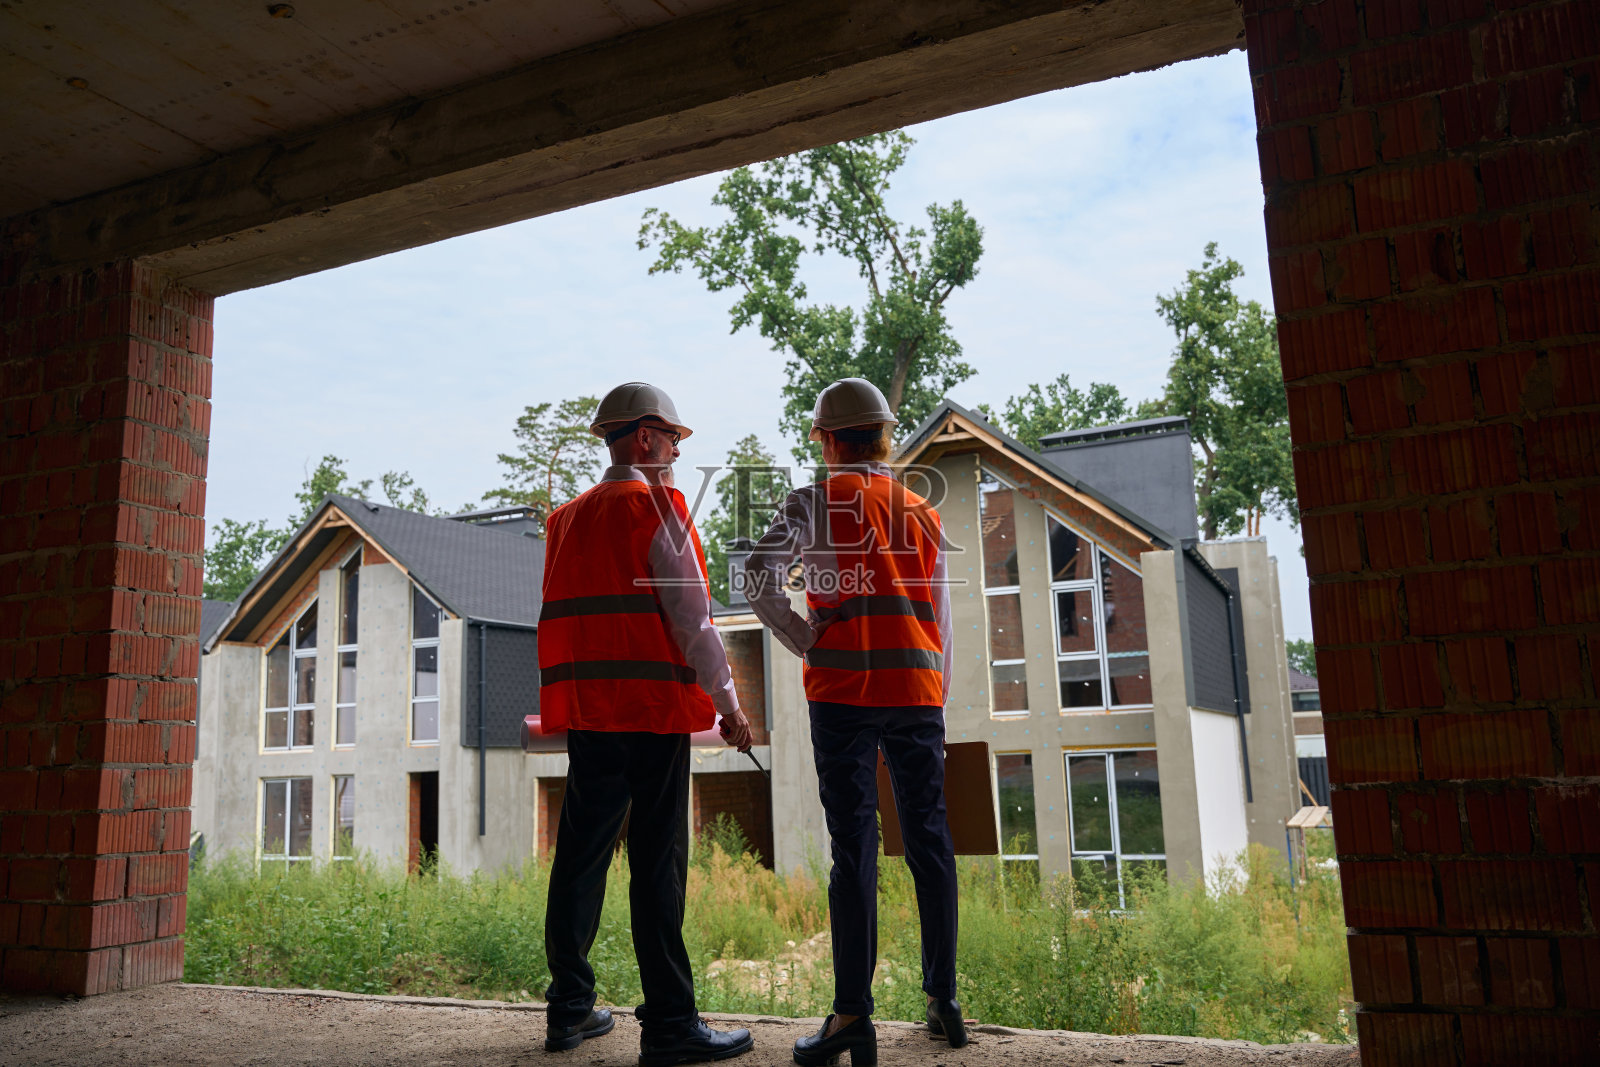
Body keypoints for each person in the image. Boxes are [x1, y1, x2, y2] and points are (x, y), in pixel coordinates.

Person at [744, 378, 966, 1067]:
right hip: (916, 692)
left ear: (827, 439)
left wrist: (805, 636)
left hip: (841, 694)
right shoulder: (921, 511)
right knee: (930, 838)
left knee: (854, 847)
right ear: (884, 436)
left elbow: (757, 575)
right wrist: (937, 702)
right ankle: (943, 999)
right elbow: (941, 619)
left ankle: (851, 1016)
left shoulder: (812, 503)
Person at [539, 382, 756, 1067]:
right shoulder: (658, 509)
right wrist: (730, 704)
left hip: (592, 713)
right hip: (653, 714)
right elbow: (693, 620)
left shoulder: (565, 521)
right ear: (643, 437)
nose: (678, 452)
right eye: (673, 439)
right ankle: (669, 1024)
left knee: (580, 855)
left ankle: (568, 1008)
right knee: (658, 863)